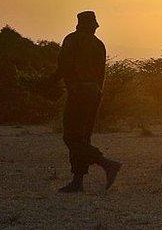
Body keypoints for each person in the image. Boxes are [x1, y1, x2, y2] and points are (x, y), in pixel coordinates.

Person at [41, 10, 121, 193]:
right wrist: (98, 95)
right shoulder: (98, 44)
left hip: (78, 93)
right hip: (94, 94)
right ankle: (78, 182)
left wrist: (45, 84)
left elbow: (63, 68)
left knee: (71, 137)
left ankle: (106, 163)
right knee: (83, 138)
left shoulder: (72, 40)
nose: (96, 27)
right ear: (90, 25)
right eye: (94, 25)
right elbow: (101, 75)